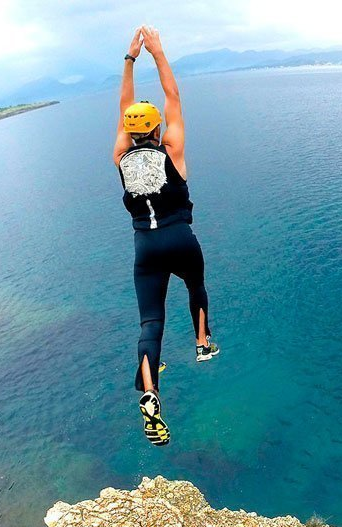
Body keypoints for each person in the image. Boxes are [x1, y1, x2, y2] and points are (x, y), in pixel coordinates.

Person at [114, 25, 219, 447]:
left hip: (146, 247)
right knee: (196, 285)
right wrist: (157, 53)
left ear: (130, 131)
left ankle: (151, 392)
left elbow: (125, 108)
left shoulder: (121, 157)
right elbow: (173, 98)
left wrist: (129, 58)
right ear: (158, 129)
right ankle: (202, 344)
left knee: (150, 321)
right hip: (181, 238)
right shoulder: (171, 148)